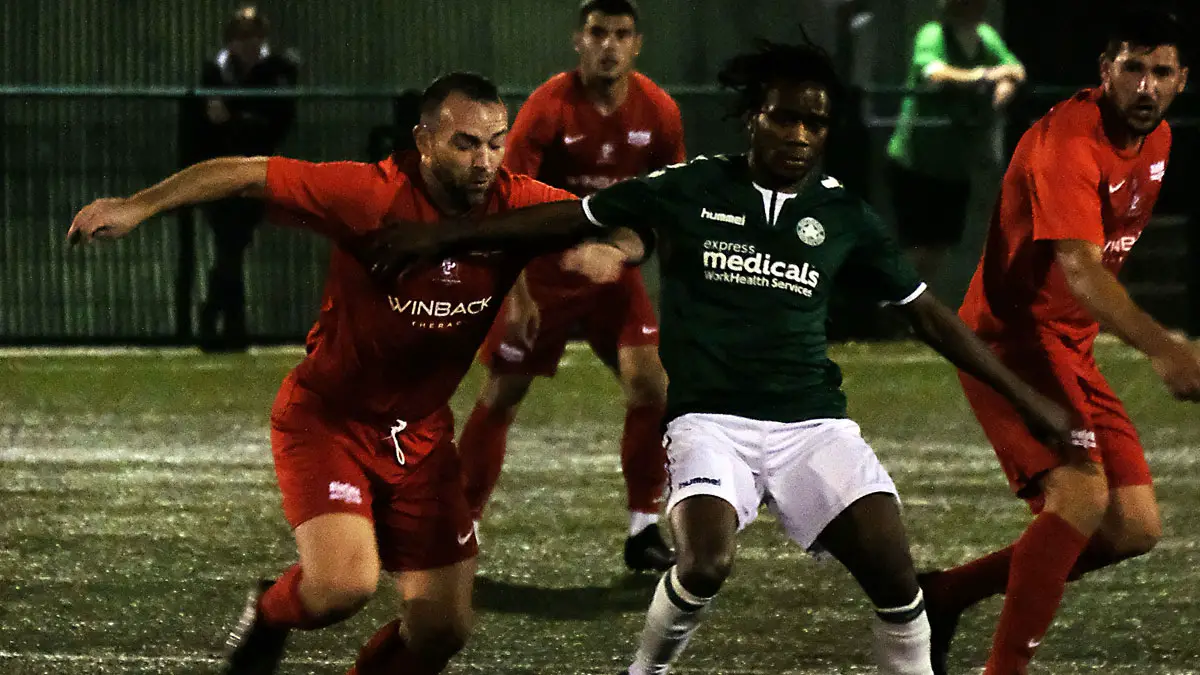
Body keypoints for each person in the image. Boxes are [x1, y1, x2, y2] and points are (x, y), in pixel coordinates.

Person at [359, 38, 1074, 675]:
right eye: (783, 116)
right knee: (704, 561)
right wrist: (439, 237)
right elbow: (568, 214)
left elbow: (928, 315)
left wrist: (1025, 396)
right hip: (710, 421)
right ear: (752, 117)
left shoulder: (845, 216)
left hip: (812, 426)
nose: (798, 133)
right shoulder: (694, 187)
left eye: (814, 122)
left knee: (897, 579)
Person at [67, 72, 630, 675]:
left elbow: (624, 215)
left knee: (440, 630)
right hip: (329, 420)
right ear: (424, 141)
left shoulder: (515, 201)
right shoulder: (369, 195)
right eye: (466, 143)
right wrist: (138, 205)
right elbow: (249, 172)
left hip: (421, 436)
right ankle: (271, 611)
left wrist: (618, 247)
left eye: (496, 142)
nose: (484, 160)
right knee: (342, 586)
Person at [918, 10, 1197, 675]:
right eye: (1132, 68)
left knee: (1133, 527)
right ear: (1105, 70)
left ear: (1183, 80)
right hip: (1009, 340)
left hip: (1068, 343)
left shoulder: (1155, 142)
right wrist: (1162, 345)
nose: (1146, 86)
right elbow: (1080, 266)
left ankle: (944, 594)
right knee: (1079, 495)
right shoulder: (1068, 141)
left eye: (1161, 71)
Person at [459, 0, 685, 572]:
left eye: (621, 34)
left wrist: (617, 251)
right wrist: (515, 292)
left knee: (651, 388)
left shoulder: (658, 112)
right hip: (543, 270)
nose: (609, 45)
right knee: (503, 393)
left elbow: (665, 210)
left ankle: (643, 531)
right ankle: (456, 527)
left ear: (638, 44)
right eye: (597, 32)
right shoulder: (547, 108)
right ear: (577, 41)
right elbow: (506, 203)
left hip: (612, 270)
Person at [886, 0, 1025, 285]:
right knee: (916, 246)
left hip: (955, 164)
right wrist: (983, 76)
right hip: (917, 160)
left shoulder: (985, 36)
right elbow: (934, 74)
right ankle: (893, 307)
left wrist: (1003, 87)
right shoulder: (932, 34)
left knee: (939, 246)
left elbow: (1016, 70)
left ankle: (912, 313)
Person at [194, 5, 299, 351]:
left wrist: (233, 118)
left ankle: (214, 320)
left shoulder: (278, 69)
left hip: (258, 170)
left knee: (231, 243)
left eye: (255, 37)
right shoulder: (216, 70)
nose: (249, 44)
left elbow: (276, 120)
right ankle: (229, 327)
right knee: (229, 244)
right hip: (218, 169)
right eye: (243, 37)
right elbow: (207, 119)